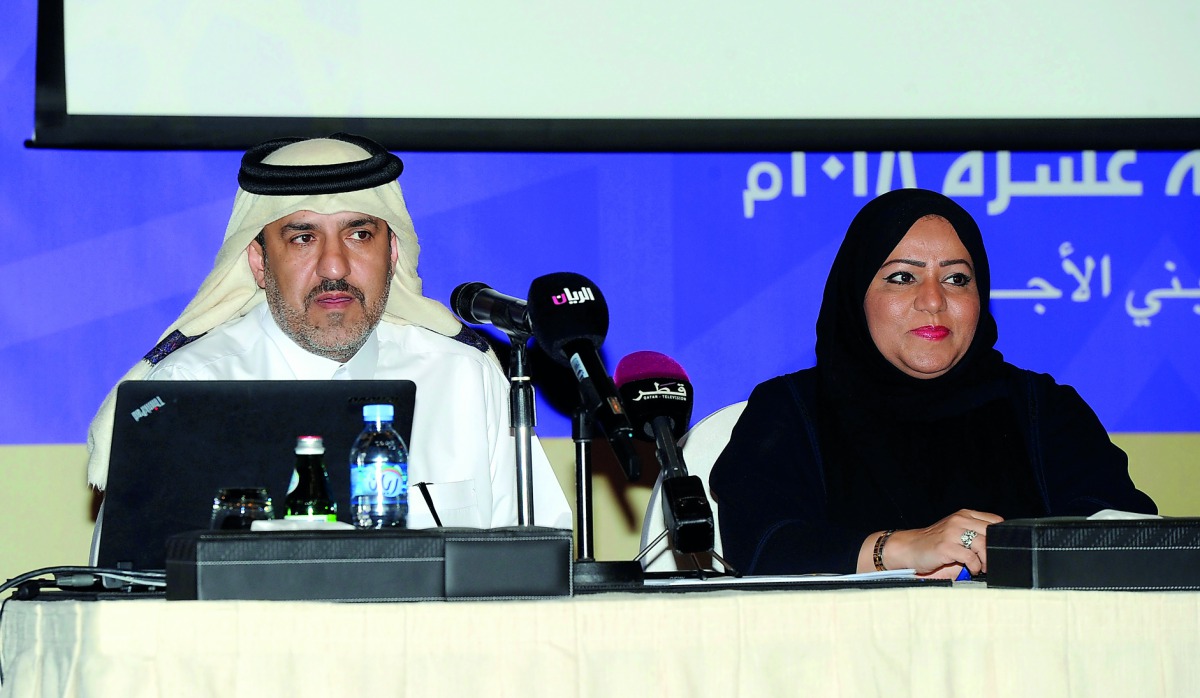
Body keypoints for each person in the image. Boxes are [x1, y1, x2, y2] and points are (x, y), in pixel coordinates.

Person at [86, 133, 573, 530]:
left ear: (393, 252)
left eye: (360, 234)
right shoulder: (184, 391)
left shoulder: (465, 378)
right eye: (302, 238)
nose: (334, 266)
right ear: (259, 262)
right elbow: (132, 595)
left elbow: (539, 568)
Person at [708, 188, 1156, 579]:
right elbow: (762, 547)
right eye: (902, 277)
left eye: (956, 279)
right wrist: (903, 549)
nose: (933, 300)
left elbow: (1122, 531)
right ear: (855, 294)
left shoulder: (1044, 409)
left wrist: (1004, 550)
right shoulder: (789, 410)